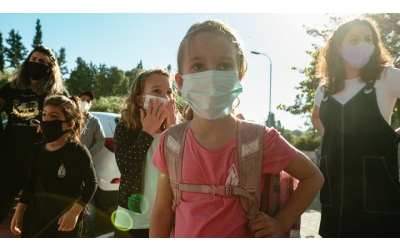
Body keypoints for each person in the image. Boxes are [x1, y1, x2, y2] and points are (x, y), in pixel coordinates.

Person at [149, 20, 324, 238]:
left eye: (223, 66)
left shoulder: (260, 139)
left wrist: (281, 223)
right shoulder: (171, 142)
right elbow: (162, 211)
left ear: (237, 78)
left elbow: (313, 177)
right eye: (198, 66)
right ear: (181, 81)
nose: (211, 76)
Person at [311, 17, 400, 237]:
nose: (363, 44)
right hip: (335, 185)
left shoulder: (387, 77)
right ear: (339, 47)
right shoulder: (324, 89)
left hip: (377, 186)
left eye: (369, 39)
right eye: (354, 38)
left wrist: (393, 135)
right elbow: (316, 117)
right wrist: (333, 137)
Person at [10, 94, 97, 238]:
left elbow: (91, 184)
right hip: (36, 218)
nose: (47, 120)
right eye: (44, 115)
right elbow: (30, 183)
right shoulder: (35, 150)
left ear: (69, 124)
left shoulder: (78, 151)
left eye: (54, 116)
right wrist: (19, 212)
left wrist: (74, 213)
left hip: (64, 221)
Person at [0, 44, 68, 227]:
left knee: (39, 208)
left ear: (50, 68)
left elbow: (72, 116)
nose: (36, 63)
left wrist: (50, 127)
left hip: (41, 155)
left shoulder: (56, 92)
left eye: (42, 62)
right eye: (33, 60)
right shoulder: (10, 89)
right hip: (10, 153)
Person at [113, 68, 177, 238]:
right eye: (156, 91)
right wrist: (147, 132)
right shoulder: (126, 128)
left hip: (168, 219)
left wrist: (174, 131)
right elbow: (127, 168)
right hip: (131, 220)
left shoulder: (178, 132)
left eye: (169, 92)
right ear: (139, 99)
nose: (165, 97)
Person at [78, 90, 105, 238]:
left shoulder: (94, 121)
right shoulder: (70, 118)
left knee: (88, 201)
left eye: (88, 100)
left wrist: (87, 154)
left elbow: (101, 141)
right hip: (68, 166)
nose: (85, 102)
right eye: (82, 99)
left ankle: (88, 234)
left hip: (86, 167)